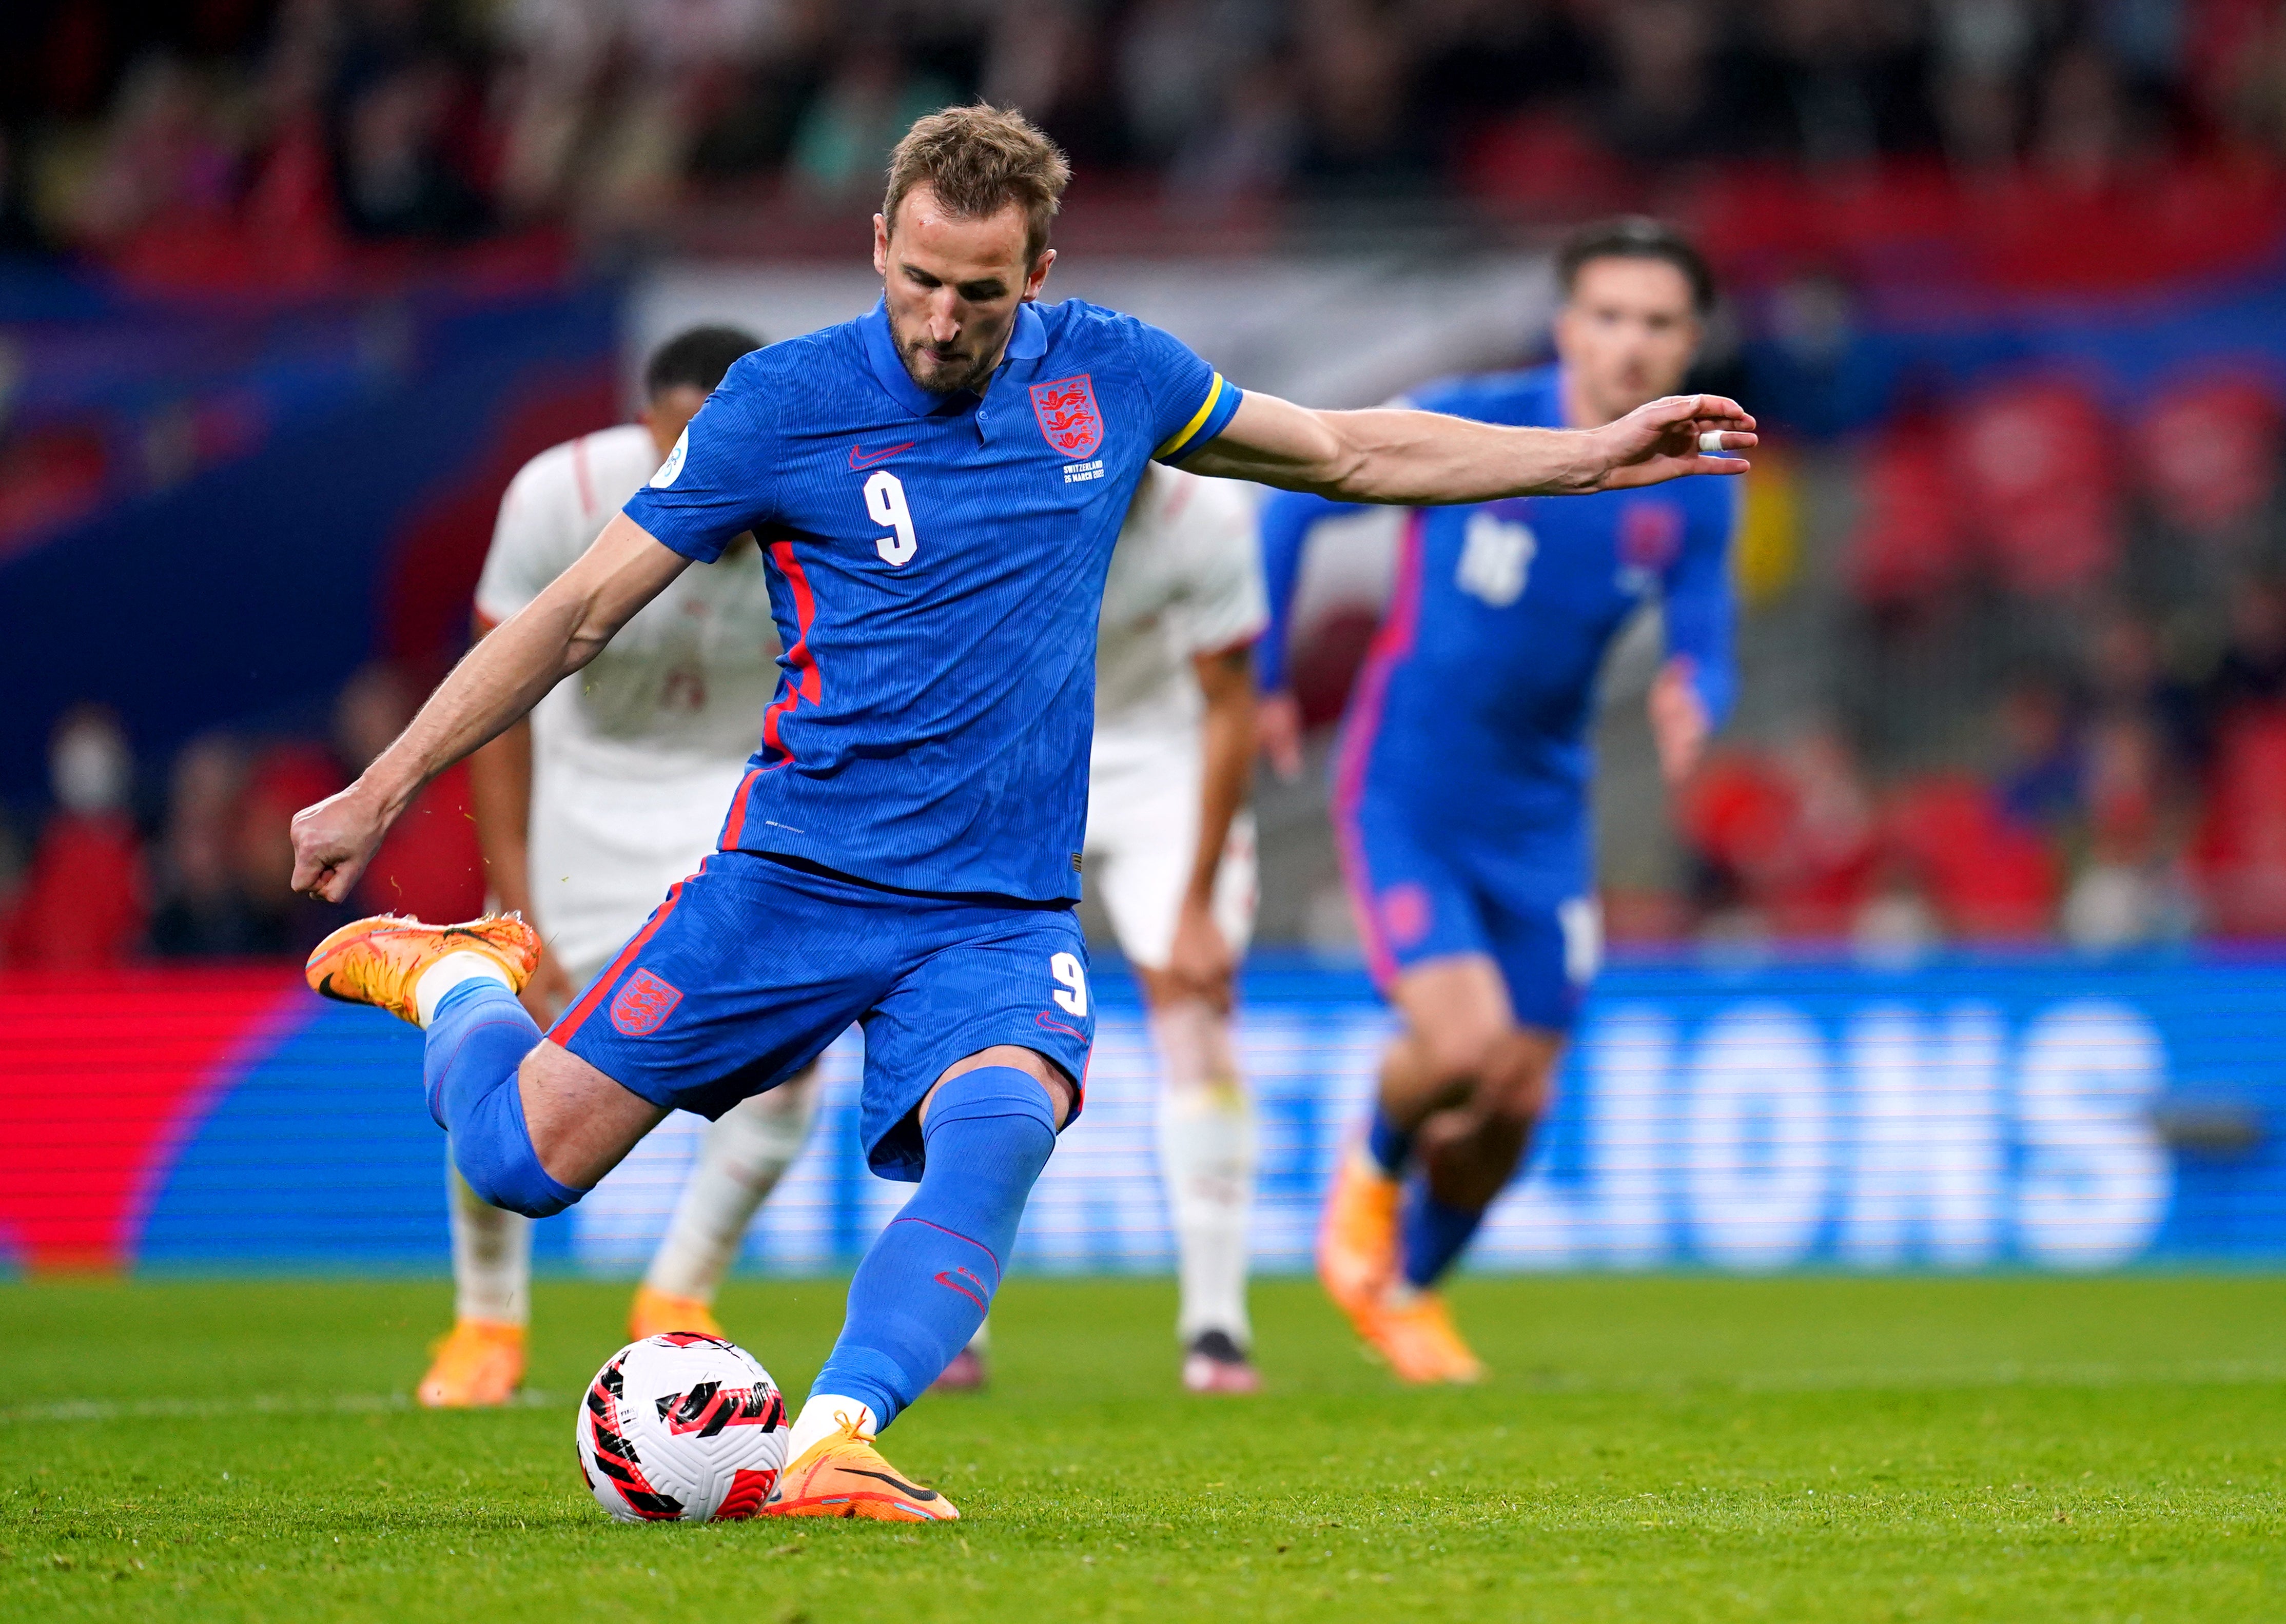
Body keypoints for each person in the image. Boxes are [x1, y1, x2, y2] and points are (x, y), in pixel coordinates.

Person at [289, 106, 1752, 1522]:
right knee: (519, 1164)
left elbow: (1348, 450)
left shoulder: (1111, 375)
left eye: (979, 294)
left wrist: (1591, 452)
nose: (941, 319)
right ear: (879, 247)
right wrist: (388, 778)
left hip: (994, 908)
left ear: (1038, 277)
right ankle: (460, 977)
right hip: (791, 878)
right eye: (919, 280)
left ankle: (834, 1439)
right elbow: (578, 613)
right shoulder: (781, 405)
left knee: (1007, 1117)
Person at [1260, 218, 1741, 1384]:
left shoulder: (1691, 474)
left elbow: (1704, 631)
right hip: (1409, 784)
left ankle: (1408, 1290)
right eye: (1610, 316)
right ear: (1567, 324)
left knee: (1516, 1101)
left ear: (1690, 338)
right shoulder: (1478, 418)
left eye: (1657, 322)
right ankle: (1364, 1192)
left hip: (1540, 813)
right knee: (1462, 1041)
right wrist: (1268, 671)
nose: (1631, 344)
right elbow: (1292, 504)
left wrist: (1693, 692)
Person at [416, 324, 828, 1408]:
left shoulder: (816, 504)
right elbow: (501, 692)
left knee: (794, 1059)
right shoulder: (559, 494)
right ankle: (486, 1323)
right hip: (577, 801)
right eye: (683, 436)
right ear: (647, 428)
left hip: (730, 801)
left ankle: (678, 1293)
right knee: (519, 1053)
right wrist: (510, 880)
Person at [938, 461, 1269, 1397]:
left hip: (1167, 765)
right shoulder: (994, 490)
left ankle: (1217, 1327)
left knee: (1194, 1015)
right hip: (1024, 758)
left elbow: (1229, 703)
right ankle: (954, 1321)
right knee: (978, 1027)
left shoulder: (1205, 516)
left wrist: (1199, 901)